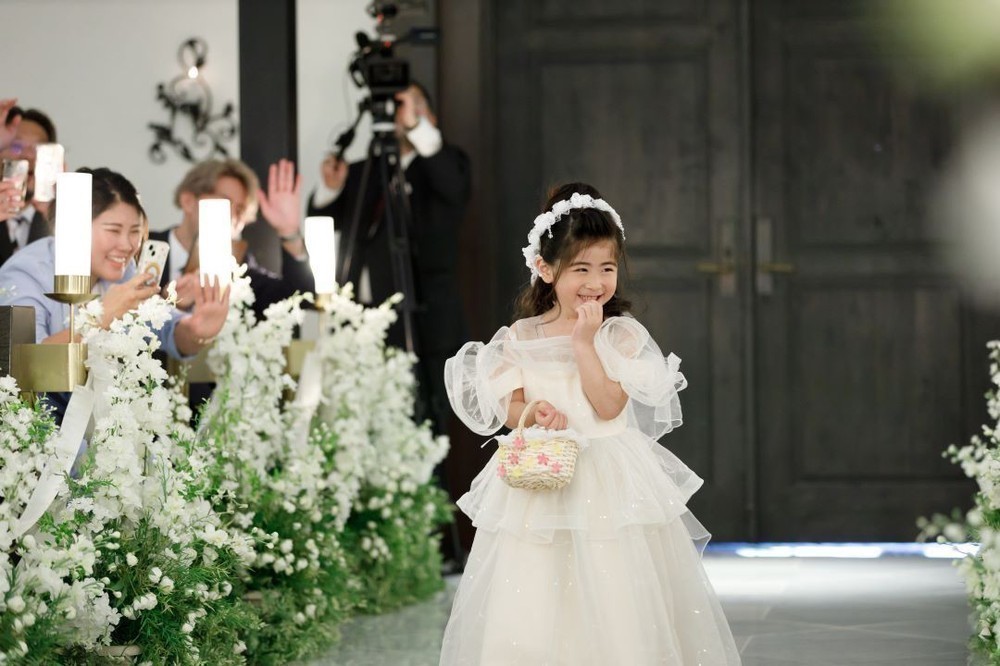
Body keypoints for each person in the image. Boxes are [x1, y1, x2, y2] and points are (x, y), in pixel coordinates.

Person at [439, 183, 741, 665]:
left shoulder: (619, 335)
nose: (595, 282)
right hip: (542, 480)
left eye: (607, 268)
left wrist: (585, 343)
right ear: (546, 268)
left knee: (613, 589)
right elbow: (511, 406)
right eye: (581, 268)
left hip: (607, 479)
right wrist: (533, 413)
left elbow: (607, 406)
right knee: (535, 593)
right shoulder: (522, 336)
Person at [0, 167, 230, 422]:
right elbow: (24, 367)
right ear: (74, 227)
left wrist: (196, 329)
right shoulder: (25, 273)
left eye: (135, 231)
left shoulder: (122, 273)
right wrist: (102, 317)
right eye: (114, 230)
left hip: (107, 427)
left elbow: (167, 328)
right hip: (38, 428)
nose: (127, 245)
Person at [307, 82, 471, 437]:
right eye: (398, 106)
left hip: (426, 325)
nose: (403, 113)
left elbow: (454, 187)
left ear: (430, 118)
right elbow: (321, 222)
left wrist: (415, 125)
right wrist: (331, 188)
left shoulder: (444, 163)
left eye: (412, 105)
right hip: (365, 321)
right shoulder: (365, 171)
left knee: (425, 433)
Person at [154, 157, 314, 319]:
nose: (232, 216)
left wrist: (289, 232)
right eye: (225, 203)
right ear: (188, 201)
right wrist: (165, 303)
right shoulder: (144, 246)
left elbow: (298, 298)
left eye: (240, 210)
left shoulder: (239, 265)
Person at [0, 104, 59, 266]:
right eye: (16, 146)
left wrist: (54, 215)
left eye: (38, 149)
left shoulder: (59, 219)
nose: (28, 156)